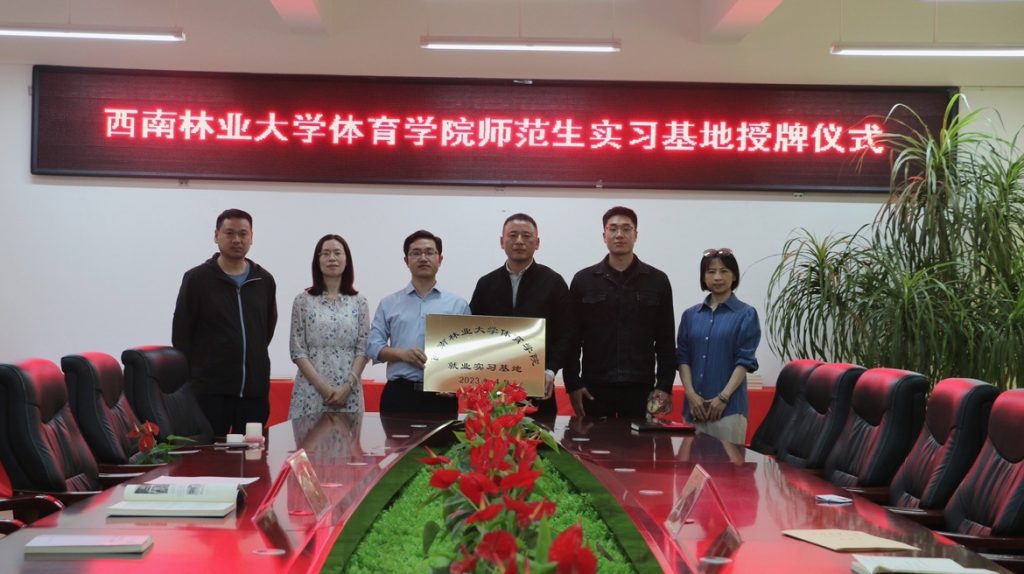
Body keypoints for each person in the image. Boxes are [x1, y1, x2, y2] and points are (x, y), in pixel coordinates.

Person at [172, 208, 277, 436]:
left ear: (251, 237)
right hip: (210, 393)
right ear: (216, 236)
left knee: (252, 454)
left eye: (243, 233)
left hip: (254, 393)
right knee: (208, 454)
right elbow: (181, 333)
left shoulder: (264, 280)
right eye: (229, 233)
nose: (237, 240)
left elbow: (266, 329)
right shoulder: (197, 279)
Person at [564, 206, 676, 418]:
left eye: (626, 229)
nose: (619, 235)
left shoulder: (657, 281)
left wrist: (664, 385)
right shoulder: (583, 281)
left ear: (636, 235)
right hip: (594, 387)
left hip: (640, 387)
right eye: (613, 229)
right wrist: (573, 383)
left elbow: (666, 340)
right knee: (593, 441)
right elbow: (572, 338)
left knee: (638, 441)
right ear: (604, 235)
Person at [469, 213, 570, 418]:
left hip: (538, 388)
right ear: (502, 241)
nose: (519, 241)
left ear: (537, 243)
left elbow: (566, 334)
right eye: (513, 235)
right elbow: (472, 333)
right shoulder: (486, 284)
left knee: (538, 438)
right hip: (493, 391)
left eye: (526, 236)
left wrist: (550, 371)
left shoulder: (553, 282)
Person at [367, 230, 470, 417]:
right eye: (416, 253)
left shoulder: (458, 304)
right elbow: (373, 346)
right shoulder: (389, 303)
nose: (423, 258)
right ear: (406, 261)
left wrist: (454, 382)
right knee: (395, 438)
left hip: (442, 396)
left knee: (442, 438)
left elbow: (467, 353)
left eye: (429, 252)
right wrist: (401, 354)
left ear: (440, 259)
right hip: (399, 394)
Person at [677, 248, 761, 445]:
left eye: (724, 271)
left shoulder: (746, 314)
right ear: (703, 277)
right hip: (693, 409)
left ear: (734, 275)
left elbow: (744, 360)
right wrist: (691, 395)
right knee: (689, 465)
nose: (717, 277)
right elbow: (683, 358)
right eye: (711, 271)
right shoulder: (690, 315)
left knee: (727, 465)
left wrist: (723, 398)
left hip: (729, 410)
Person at [288, 234, 370, 418]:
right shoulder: (303, 301)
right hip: (310, 391)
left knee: (348, 437)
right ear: (317, 261)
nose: (332, 258)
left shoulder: (359, 302)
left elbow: (363, 348)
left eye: (337, 253)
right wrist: (323, 388)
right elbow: (297, 350)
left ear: (347, 259)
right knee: (308, 437)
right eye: (325, 253)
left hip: (349, 393)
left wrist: (347, 387)